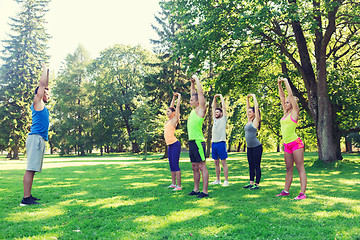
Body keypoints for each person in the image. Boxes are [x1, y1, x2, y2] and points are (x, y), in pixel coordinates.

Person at [20, 64, 50, 206]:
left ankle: (29, 196)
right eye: (46, 92)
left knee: (33, 169)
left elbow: (46, 84)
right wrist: (44, 68)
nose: (48, 94)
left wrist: (48, 72)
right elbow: (42, 84)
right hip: (35, 138)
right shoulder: (37, 102)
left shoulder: (42, 104)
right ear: (40, 93)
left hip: (39, 138)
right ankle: (26, 199)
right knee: (30, 168)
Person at [276, 77, 307, 200]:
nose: (285, 103)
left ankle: (302, 193)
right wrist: (279, 85)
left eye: (288, 102)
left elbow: (289, 94)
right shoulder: (285, 113)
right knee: (288, 168)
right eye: (286, 103)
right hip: (286, 145)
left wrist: (285, 82)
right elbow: (282, 97)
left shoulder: (295, 112)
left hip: (296, 143)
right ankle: (286, 191)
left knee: (300, 167)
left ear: (292, 104)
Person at [187, 75, 209, 198]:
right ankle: (196, 189)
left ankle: (204, 192)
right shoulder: (193, 110)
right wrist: (192, 84)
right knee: (194, 166)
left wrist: (197, 80)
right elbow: (193, 94)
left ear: (198, 102)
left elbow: (199, 94)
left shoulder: (200, 109)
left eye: (191, 100)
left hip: (198, 142)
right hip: (191, 142)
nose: (190, 101)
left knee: (202, 166)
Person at [243, 94, 262, 190]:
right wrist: (247, 99)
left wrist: (254, 97)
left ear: (254, 113)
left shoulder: (256, 121)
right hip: (249, 147)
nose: (248, 113)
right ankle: (251, 183)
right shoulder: (248, 121)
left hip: (256, 147)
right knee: (250, 164)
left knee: (256, 165)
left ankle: (257, 184)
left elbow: (256, 107)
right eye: (248, 112)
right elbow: (247, 107)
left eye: (250, 112)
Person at [209, 94, 229, 186]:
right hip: (214, 143)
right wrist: (214, 98)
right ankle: (218, 180)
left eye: (218, 112)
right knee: (216, 162)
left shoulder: (223, 119)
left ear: (221, 113)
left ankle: (226, 181)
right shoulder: (215, 119)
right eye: (215, 112)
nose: (216, 113)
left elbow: (224, 107)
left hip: (221, 143)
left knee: (223, 162)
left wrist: (220, 97)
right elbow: (213, 107)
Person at [164, 92, 182, 191]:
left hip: (175, 144)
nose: (167, 113)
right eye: (166, 112)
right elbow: (171, 106)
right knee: (171, 165)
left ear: (173, 113)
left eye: (168, 112)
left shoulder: (174, 119)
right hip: (169, 145)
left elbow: (176, 107)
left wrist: (178, 97)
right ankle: (173, 184)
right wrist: (173, 97)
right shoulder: (168, 120)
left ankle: (179, 186)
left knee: (175, 164)